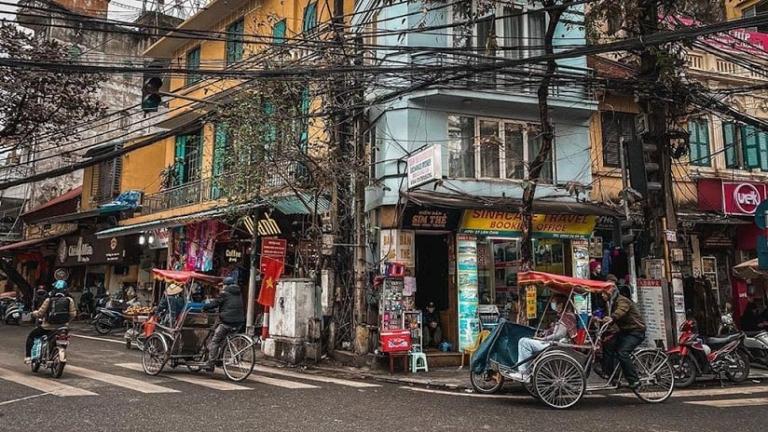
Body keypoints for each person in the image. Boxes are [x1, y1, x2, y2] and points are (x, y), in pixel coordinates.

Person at [511, 295, 578, 382]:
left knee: (523, 342)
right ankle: (527, 370)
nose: (553, 305)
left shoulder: (566, 317)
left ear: (561, 304)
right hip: (555, 344)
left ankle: (523, 373)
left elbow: (559, 335)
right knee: (528, 340)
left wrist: (544, 339)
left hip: (555, 345)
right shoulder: (565, 315)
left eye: (554, 303)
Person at [600, 285, 646, 389]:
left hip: (636, 331)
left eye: (604, 293)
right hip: (624, 331)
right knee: (609, 345)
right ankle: (611, 375)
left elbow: (620, 312)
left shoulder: (622, 301)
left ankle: (634, 380)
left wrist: (612, 317)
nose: (602, 295)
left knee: (622, 352)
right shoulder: (610, 303)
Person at [25, 280, 76, 364]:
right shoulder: (69, 300)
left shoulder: (49, 300)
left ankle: (28, 357)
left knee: (31, 336)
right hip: (63, 328)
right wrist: (66, 322)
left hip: (47, 327)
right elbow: (73, 314)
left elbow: (40, 313)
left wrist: (33, 313)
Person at [203, 277, 245, 370]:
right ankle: (220, 359)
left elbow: (215, 303)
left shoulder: (224, 294)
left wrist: (205, 307)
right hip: (239, 322)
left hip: (227, 321)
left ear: (225, 285)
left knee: (215, 340)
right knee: (224, 340)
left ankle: (210, 363)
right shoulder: (238, 294)